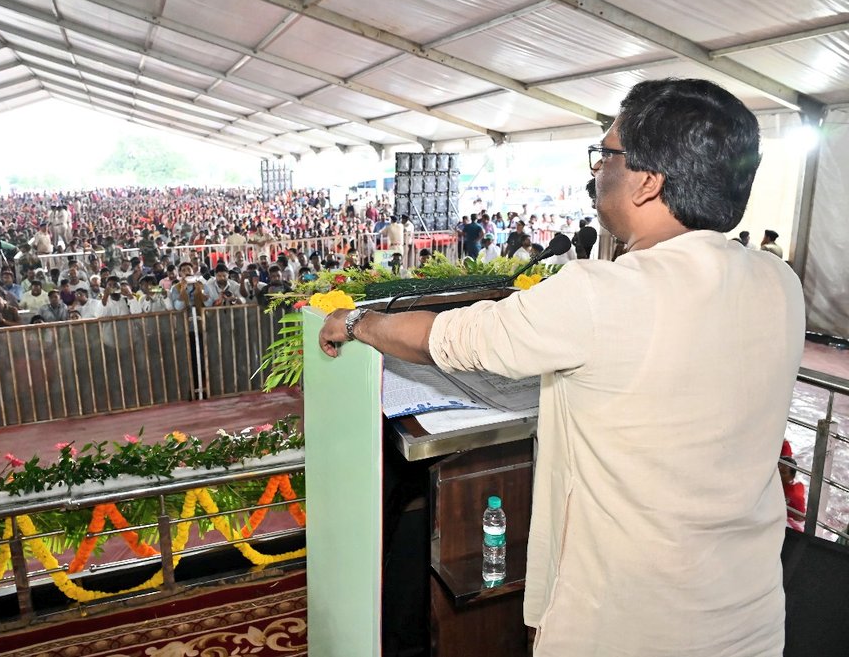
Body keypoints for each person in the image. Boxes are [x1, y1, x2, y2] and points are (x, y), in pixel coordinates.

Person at [317, 79, 804, 657]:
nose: (597, 172)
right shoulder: (779, 281)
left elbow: (444, 338)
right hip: (747, 616)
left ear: (648, 181)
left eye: (606, 155)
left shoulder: (604, 293)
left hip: (628, 625)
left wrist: (357, 321)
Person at [779, 456, 805, 532]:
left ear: (792, 477)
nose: (778, 475)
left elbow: (800, 518)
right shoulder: (774, 482)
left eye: (783, 473)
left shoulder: (795, 494)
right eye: (776, 471)